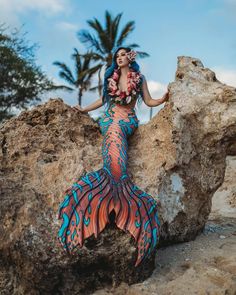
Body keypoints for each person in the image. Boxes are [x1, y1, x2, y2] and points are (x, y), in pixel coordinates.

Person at [58, 46, 169, 267]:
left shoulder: (139, 78)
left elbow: (148, 102)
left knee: (118, 128)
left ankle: (115, 184)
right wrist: (84, 110)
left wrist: (164, 98)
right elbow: (102, 100)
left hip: (127, 120)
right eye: (116, 56)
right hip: (109, 119)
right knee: (111, 128)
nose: (119, 58)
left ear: (130, 57)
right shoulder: (111, 77)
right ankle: (112, 185)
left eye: (123, 55)